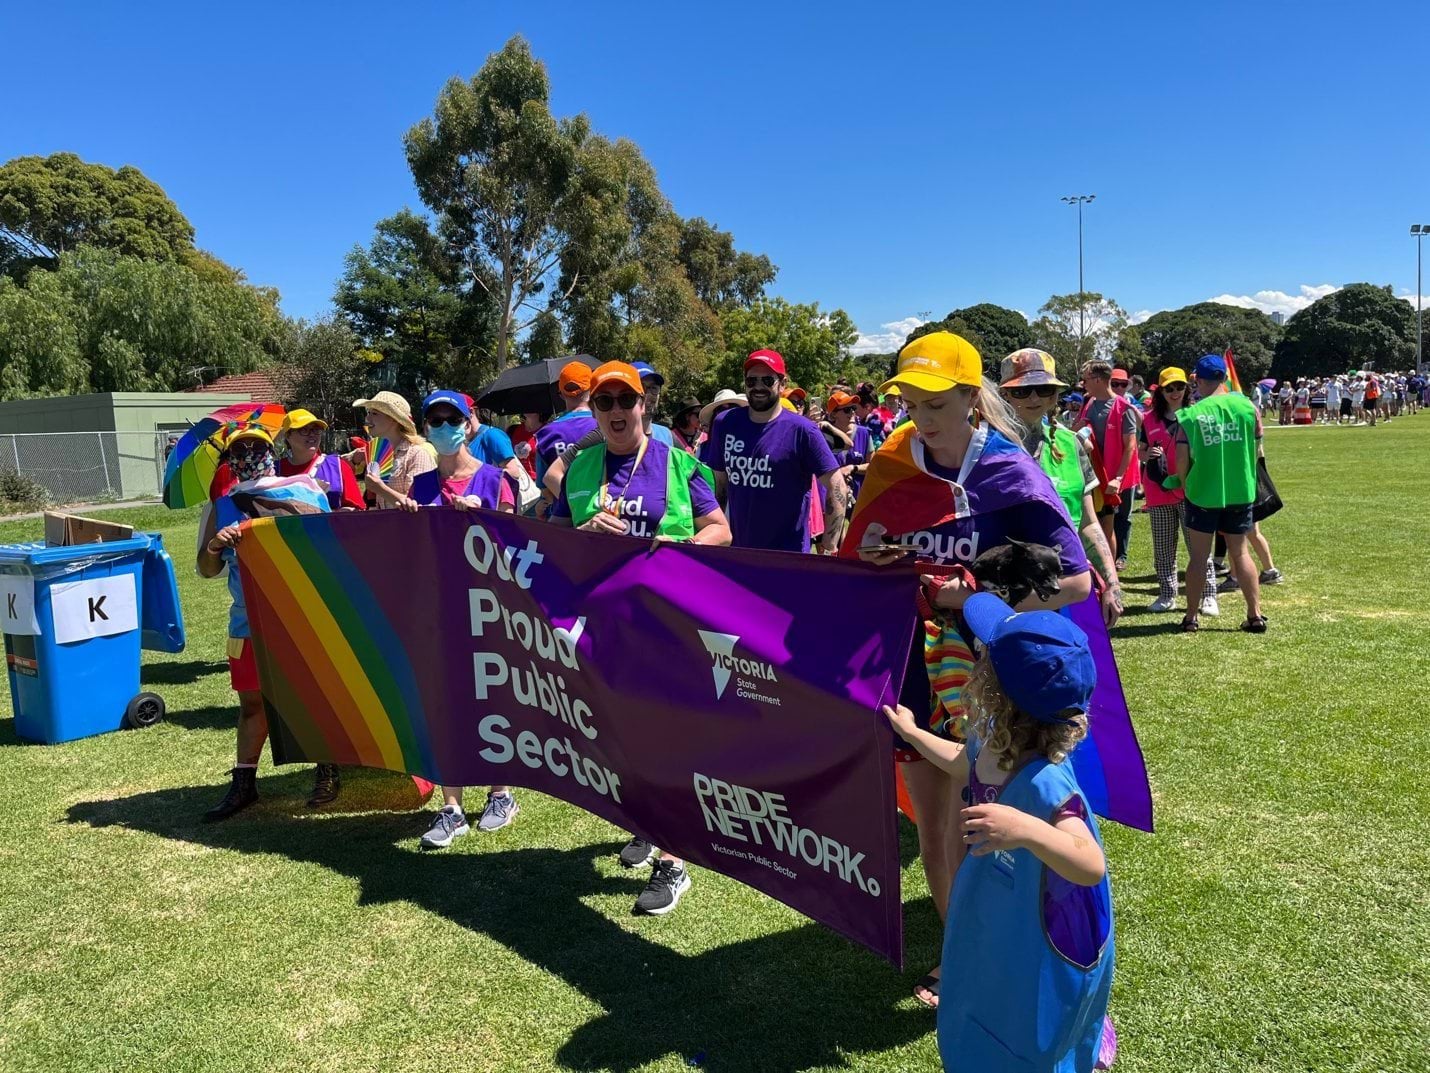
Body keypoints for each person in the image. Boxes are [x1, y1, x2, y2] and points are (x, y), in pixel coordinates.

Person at [848, 332, 1093, 1009]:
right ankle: (962, 954)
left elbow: (1077, 582)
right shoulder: (892, 463)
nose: (920, 417)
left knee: (997, 823)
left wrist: (972, 599)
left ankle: (1030, 956)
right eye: (909, 402)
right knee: (933, 824)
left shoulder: (1010, 471)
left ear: (971, 402)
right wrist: (872, 554)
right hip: (912, 668)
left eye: (935, 402)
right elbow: (855, 558)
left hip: (999, 685)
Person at [884, 593, 1114, 1073]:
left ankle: (1075, 1048)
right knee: (991, 977)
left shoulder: (1045, 780)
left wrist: (1026, 828)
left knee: (1038, 996)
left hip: (1041, 909)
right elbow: (959, 762)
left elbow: (1089, 863)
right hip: (999, 899)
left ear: (995, 689)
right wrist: (911, 734)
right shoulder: (990, 742)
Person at [552, 361, 731, 914]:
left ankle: (673, 863)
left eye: (623, 402)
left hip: (668, 624)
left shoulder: (678, 463)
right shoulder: (581, 467)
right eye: (603, 404)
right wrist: (580, 533)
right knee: (622, 739)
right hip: (605, 626)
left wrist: (682, 549)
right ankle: (647, 824)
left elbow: (720, 529)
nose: (614, 413)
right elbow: (555, 538)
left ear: (643, 404)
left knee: (667, 739)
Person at [405, 389, 523, 847]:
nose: (442, 426)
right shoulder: (422, 486)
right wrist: (411, 522)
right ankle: (451, 806)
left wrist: (486, 518)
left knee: (493, 700)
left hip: (490, 609)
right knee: (447, 703)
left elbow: (517, 545)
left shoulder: (494, 480)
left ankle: (500, 793)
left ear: (469, 422)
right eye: (434, 419)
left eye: (450, 417)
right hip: (440, 608)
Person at [197, 424, 333, 820]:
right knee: (252, 704)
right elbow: (206, 570)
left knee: (311, 697)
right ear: (230, 460)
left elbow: (327, 546)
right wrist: (216, 544)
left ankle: (327, 770)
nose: (249, 456)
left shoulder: (306, 490)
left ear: (271, 450)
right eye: (239, 451)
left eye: (256, 447)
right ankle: (244, 784)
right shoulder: (224, 504)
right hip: (248, 622)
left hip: (299, 615)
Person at [999, 349, 1122, 627]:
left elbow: (1089, 523)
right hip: (1008, 593)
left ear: (1055, 395)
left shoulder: (1072, 444)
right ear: (1004, 394)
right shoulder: (984, 448)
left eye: (1044, 390)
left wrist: (1112, 583)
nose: (1034, 398)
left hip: (1068, 586)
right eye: (1022, 391)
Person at [710, 350, 845, 553]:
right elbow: (720, 487)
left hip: (787, 557)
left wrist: (829, 546)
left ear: (782, 384)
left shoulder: (802, 430)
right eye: (751, 381)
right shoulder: (725, 423)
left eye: (767, 380)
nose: (758, 387)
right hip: (737, 552)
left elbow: (837, 486)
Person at [1175, 354, 1267, 633]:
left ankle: (1191, 618)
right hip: (1240, 491)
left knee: (1199, 558)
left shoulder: (1190, 414)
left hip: (1202, 493)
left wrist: (1183, 484)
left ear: (1200, 380)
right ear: (1224, 378)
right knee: (1241, 553)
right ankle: (1255, 615)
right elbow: (1259, 450)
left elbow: (1181, 460)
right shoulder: (1249, 408)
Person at [1137, 368, 1217, 615]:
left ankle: (1209, 596)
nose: (1174, 393)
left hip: (1190, 490)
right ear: (1160, 391)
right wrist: (1146, 454)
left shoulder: (1195, 416)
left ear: (1187, 388)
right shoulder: (1148, 418)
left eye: (1179, 387)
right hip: (1158, 490)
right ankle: (1167, 594)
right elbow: (1140, 450)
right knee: (1163, 547)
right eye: (1169, 388)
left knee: (1199, 547)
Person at [1075, 361, 1140, 571]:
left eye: (1085, 379)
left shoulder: (1124, 408)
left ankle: (1110, 575)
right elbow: (1076, 431)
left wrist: (1118, 478)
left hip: (1109, 479)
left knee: (1107, 526)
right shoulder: (1089, 404)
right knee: (1090, 526)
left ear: (1097, 379)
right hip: (1090, 476)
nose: (1082, 383)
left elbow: (1130, 446)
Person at [351, 391, 437, 510]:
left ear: (393, 419)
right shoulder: (376, 452)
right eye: (368, 413)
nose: (367, 418)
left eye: (374, 413)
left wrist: (380, 488)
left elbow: (421, 505)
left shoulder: (417, 454)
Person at [277, 409, 366, 512]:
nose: (312, 434)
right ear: (288, 435)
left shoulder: (338, 467)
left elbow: (359, 512)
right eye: (304, 430)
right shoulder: (274, 471)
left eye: (316, 430)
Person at [537, 362, 598, 496]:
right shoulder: (605, 426)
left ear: (562, 395)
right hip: (602, 510)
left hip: (560, 512)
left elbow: (544, 488)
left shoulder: (545, 434)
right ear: (592, 390)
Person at [697, 389, 746, 468]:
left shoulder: (750, 444)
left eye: (732, 407)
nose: (727, 412)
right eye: (721, 409)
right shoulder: (703, 449)